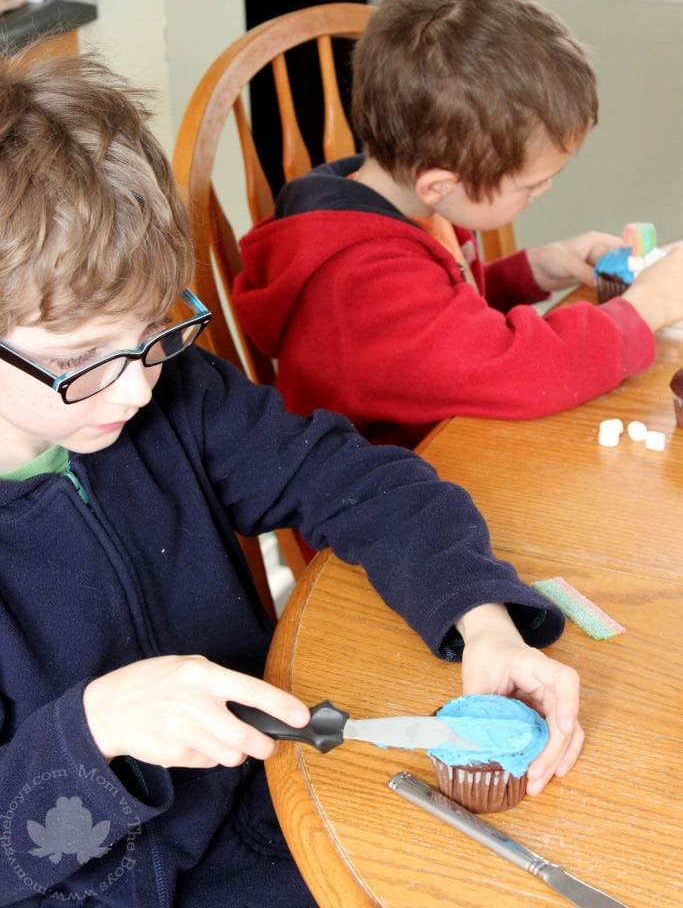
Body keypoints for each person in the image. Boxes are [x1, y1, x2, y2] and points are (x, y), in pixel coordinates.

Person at [0, 51, 583, 907]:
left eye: (150, 333)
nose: (133, 387)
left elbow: (361, 482)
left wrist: (481, 617)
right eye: (77, 359)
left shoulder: (175, 397)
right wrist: (91, 734)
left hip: (263, 809)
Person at [233, 0, 683, 448]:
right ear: (440, 185)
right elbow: (521, 371)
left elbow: (441, 320)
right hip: (388, 504)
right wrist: (646, 307)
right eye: (530, 185)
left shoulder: (397, 199)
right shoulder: (360, 281)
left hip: (446, 445)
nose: (544, 189)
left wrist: (532, 270)